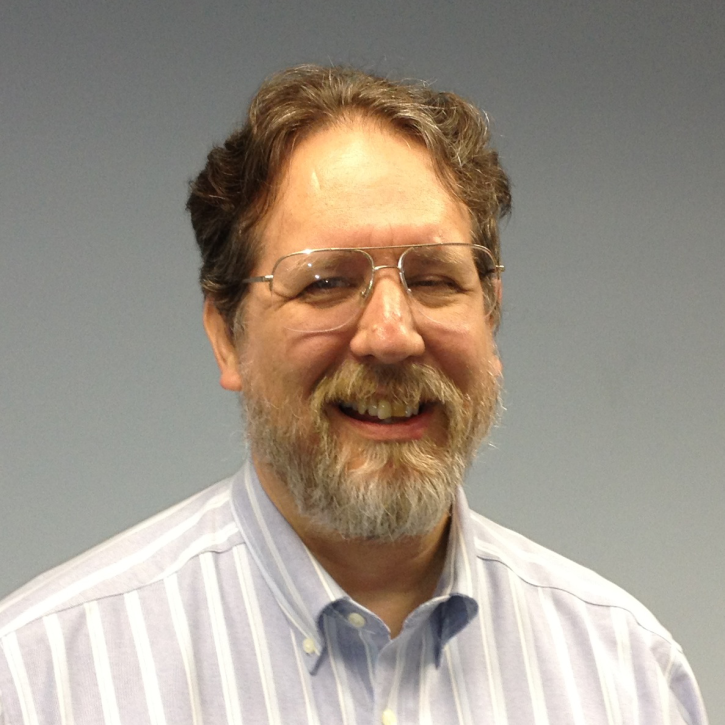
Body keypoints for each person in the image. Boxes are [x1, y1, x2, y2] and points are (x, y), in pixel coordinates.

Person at [0, 64, 709, 725]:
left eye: (434, 277)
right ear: (226, 334)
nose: (391, 335)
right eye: (326, 281)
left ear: (489, 313)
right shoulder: (42, 677)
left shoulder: (628, 676)